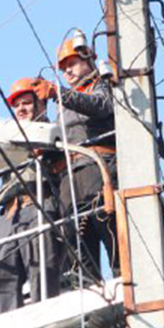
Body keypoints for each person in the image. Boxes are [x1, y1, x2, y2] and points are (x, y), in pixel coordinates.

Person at [0, 77, 62, 315]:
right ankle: (5, 320)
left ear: (41, 106)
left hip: (39, 203)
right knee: (3, 266)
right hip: (11, 211)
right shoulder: (6, 138)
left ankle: (46, 315)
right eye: (16, 105)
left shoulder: (53, 133)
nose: (21, 109)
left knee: (41, 264)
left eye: (27, 103)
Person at [52, 30, 118, 284]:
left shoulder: (103, 83)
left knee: (107, 228)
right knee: (77, 239)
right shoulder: (62, 104)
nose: (67, 71)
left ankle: (124, 281)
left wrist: (59, 94)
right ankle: (86, 285)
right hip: (71, 178)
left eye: (72, 64)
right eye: (63, 68)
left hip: (100, 169)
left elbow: (102, 107)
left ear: (88, 58)